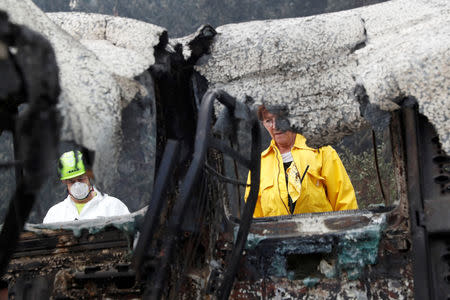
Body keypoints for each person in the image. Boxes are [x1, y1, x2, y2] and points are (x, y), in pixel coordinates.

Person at [245, 106, 358, 218]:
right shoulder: (259, 165)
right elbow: (254, 218)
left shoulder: (321, 151)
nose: (275, 126)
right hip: (277, 236)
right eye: (268, 121)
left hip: (323, 235)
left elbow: (345, 202)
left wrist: (350, 232)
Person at [43, 150, 130, 223]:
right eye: (71, 181)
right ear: (64, 182)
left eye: (81, 179)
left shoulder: (113, 207)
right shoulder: (55, 214)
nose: (77, 185)